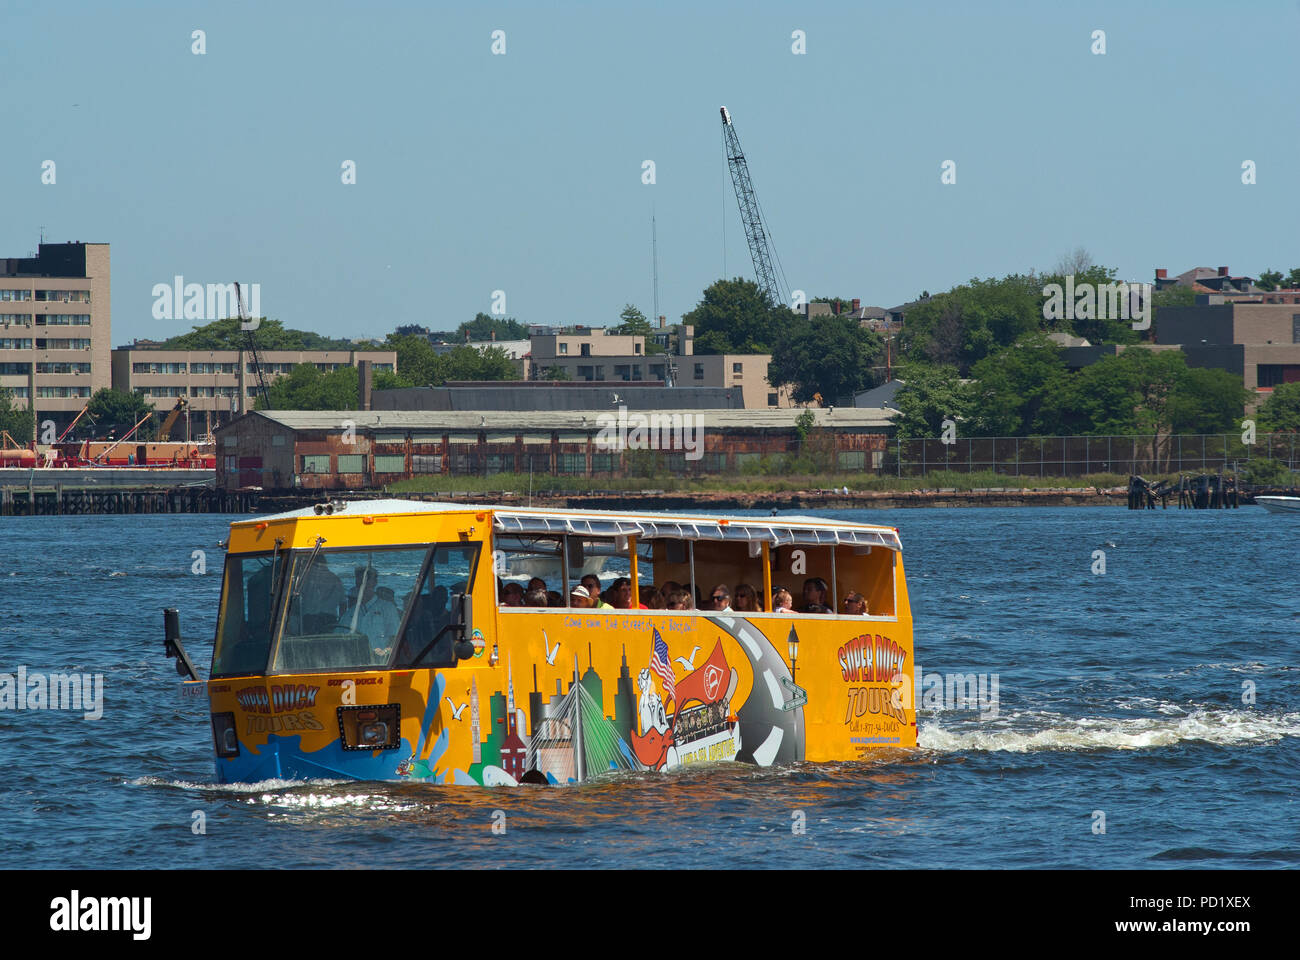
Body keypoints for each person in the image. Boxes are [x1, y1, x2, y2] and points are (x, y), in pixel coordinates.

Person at [343, 568, 402, 658]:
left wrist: (386, 651)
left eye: (366, 584)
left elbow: (396, 637)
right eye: (359, 585)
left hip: (381, 662)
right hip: (355, 660)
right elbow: (340, 636)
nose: (362, 588)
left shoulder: (388, 608)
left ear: (374, 583)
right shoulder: (350, 613)